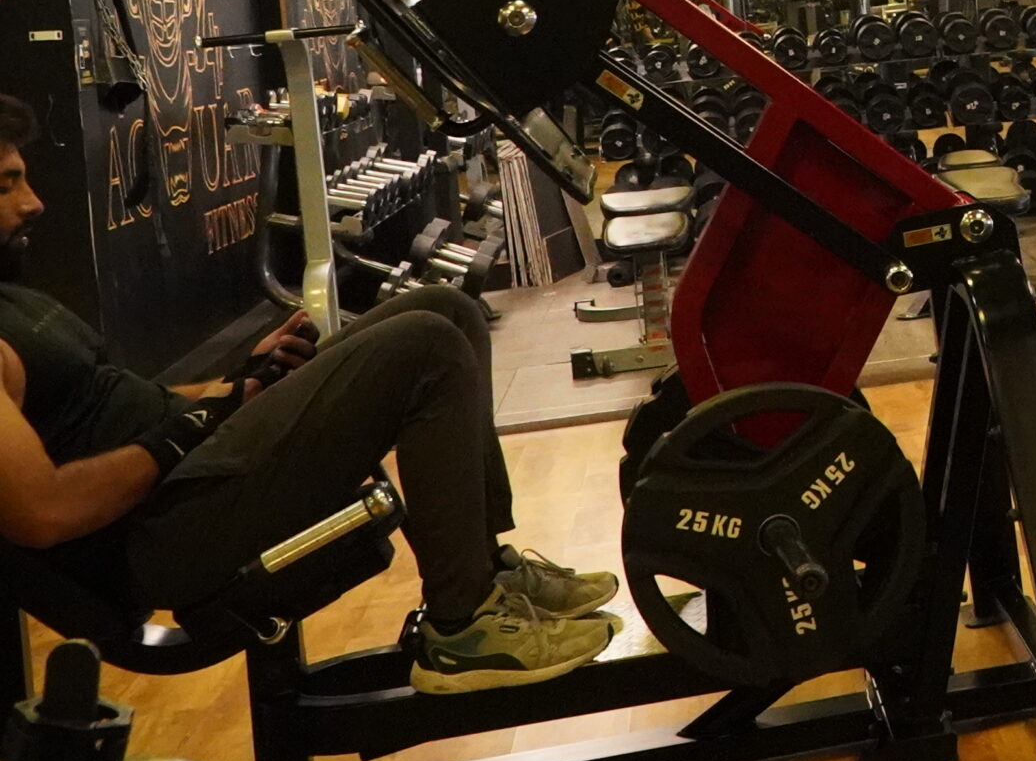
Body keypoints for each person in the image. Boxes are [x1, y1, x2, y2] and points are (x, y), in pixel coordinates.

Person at [0, 96, 620, 694]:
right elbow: (44, 512)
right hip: (164, 534)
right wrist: (188, 430)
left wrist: (235, 383)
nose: (33, 203)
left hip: (190, 473)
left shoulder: (14, 300)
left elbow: (120, 400)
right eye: (6, 186)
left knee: (445, 307)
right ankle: (462, 627)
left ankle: (485, 568)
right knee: (424, 345)